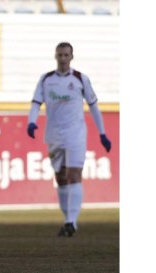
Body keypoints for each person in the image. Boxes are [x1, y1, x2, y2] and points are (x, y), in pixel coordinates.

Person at [26, 42, 111, 237]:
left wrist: (102, 133)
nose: (63, 58)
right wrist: (31, 122)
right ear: (55, 56)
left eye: (66, 55)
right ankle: (68, 220)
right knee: (61, 178)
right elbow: (36, 103)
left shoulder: (81, 79)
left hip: (76, 134)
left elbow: (94, 106)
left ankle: (71, 220)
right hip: (54, 135)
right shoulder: (46, 79)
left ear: (71, 57)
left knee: (74, 174)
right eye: (60, 55)